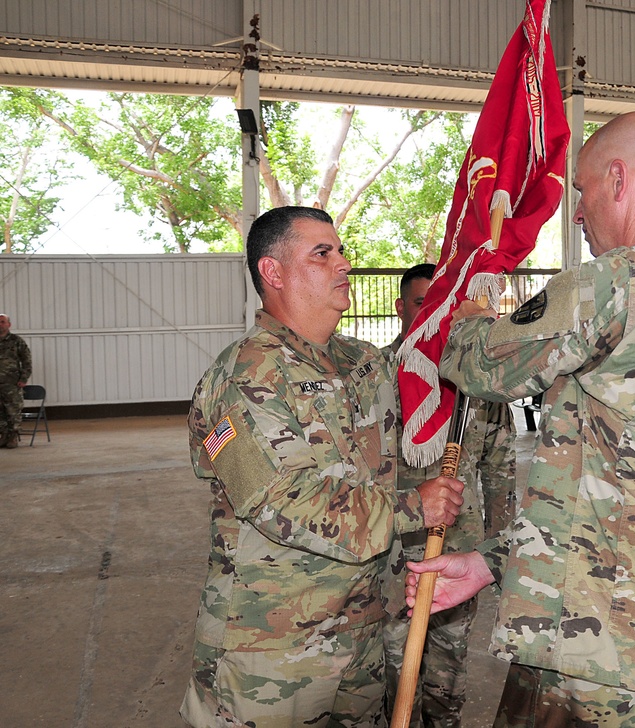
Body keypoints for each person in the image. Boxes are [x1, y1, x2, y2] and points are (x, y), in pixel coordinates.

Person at [406, 111, 635, 725]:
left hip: (604, 648)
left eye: (583, 191)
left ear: (618, 180)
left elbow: (476, 361)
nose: (577, 212)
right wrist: (491, 562)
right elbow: (619, 493)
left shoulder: (622, 282)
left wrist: (469, 300)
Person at [181, 206, 465, 728]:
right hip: (273, 648)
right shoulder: (244, 377)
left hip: (362, 630)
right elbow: (278, 500)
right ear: (273, 272)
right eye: (323, 253)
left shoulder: (364, 363)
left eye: (340, 250)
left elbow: (415, 412)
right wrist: (411, 508)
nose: (344, 264)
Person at [382, 263, 517, 727]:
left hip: (459, 548)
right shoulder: (377, 376)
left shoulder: (475, 385)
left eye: (446, 308)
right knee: (393, 673)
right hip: (392, 555)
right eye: (425, 304)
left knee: (449, 676)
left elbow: (500, 467)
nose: (436, 317)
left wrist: (499, 550)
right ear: (402, 308)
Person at [0, 313, 32, 449]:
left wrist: (23, 378)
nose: (0, 325)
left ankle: (13, 437)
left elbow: (26, 361)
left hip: (12, 383)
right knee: (0, 412)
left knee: (13, 410)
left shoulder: (16, 341)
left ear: (9, 324)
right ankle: (3, 436)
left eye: (2, 322)